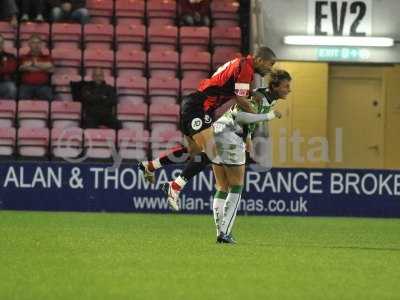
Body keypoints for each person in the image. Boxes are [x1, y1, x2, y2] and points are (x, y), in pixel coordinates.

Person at [139, 46, 276, 210]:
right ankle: (174, 187)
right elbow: (241, 100)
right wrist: (259, 115)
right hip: (200, 106)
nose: (270, 69)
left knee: (193, 151)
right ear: (260, 60)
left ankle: (150, 166)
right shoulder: (246, 68)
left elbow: (243, 97)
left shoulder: (242, 66)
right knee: (211, 150)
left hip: (199, 106)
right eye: (270, 64)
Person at [212, 70, 292, 244]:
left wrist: (248, 137)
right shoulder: (258, 98)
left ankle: (222, 232)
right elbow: (240, 116)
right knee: (237, 185)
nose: (289, 90)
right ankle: (224, 233)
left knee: (223, 185)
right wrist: (268, 116)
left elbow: (249, 120)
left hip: (218, 131)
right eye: (286, 86)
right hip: (229, 134)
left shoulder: (267, 98)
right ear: (275, 86)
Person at [19, 34, 54, 101]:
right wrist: (43, 68)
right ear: (29, 44)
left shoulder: (47, 57)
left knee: (48, 96)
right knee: (22, 97)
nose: (36, 45)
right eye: (34, 43)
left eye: (38, 43)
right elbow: (22, 68)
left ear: (41, 44)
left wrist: (33, 64)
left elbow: (51, 69)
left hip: (43, 86)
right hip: (26, 86)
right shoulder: (23, 57)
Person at [0, 35, 17, 100]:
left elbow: (11, 69)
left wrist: (4, 69)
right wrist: (3, 67)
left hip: (5, 82)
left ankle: (5, 107)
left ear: (3, 44)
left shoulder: (10, 56)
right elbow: (5, 69)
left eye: (0, 42)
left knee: (12, 88)